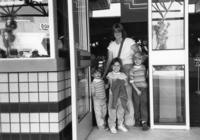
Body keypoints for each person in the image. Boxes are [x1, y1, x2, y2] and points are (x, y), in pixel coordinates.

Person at [103, 23, 138, 126]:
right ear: (113, 33)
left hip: (127, 69)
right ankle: (119, 122)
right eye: (115, 31)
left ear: (122, 31)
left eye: (119, 31)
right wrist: (104, 74)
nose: (117, 33)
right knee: (116, 98)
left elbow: (138, 54)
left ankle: (129, 120)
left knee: (127, 96)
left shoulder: (129, 41)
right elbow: (109, 61)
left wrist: (137, 69)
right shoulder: (111, 45)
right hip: (116, 71)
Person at [106, 58, 128, 134]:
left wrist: (120, 81)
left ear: (120, 66)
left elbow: (125, 84)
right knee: (112, 110)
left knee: (121, 110)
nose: (116, 67)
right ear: (112, 66)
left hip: (121, 95)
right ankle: (112, 126)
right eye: (114, 65)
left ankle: (120, 124)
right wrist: (119, 81)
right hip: (113, 95)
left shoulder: (123, 75)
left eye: (118, 65)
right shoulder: (110, 74)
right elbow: (112, 84)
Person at [129, 52, 149, 131]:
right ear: (133, 60)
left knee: (143, 104)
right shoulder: (132, 69)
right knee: (137, 104)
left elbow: (145, 76)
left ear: (142, 60)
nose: (137, 60)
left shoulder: (144, 67)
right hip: (136, 89)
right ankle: (137, 120)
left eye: (139, 59)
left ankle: (144, 122)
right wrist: (137, 90)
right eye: (136, 59)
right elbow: (131, 81)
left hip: (143, 88)